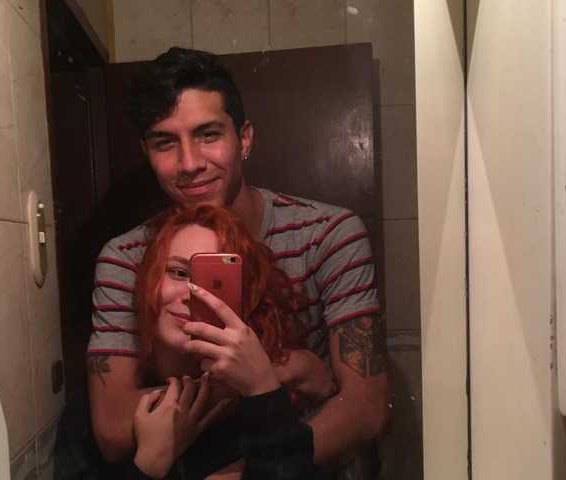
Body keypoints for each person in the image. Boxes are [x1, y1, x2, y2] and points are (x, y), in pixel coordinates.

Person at [87, 46, 389, 475]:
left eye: (208, 135)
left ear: (243, 138)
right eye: (165, 143)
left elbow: (365, 409)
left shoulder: (327, 235)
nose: (190, 163)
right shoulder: (127, 258)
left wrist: (244, 474)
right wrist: (283, 371)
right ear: (146, 152)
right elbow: (115, 429)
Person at [130, 204, 334, 479]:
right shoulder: (113, 399)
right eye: (178, 272)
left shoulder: (259, 404)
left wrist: (263, 387)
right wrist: (149, 462)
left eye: (214, 282)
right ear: (149, 278)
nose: (192, 294)